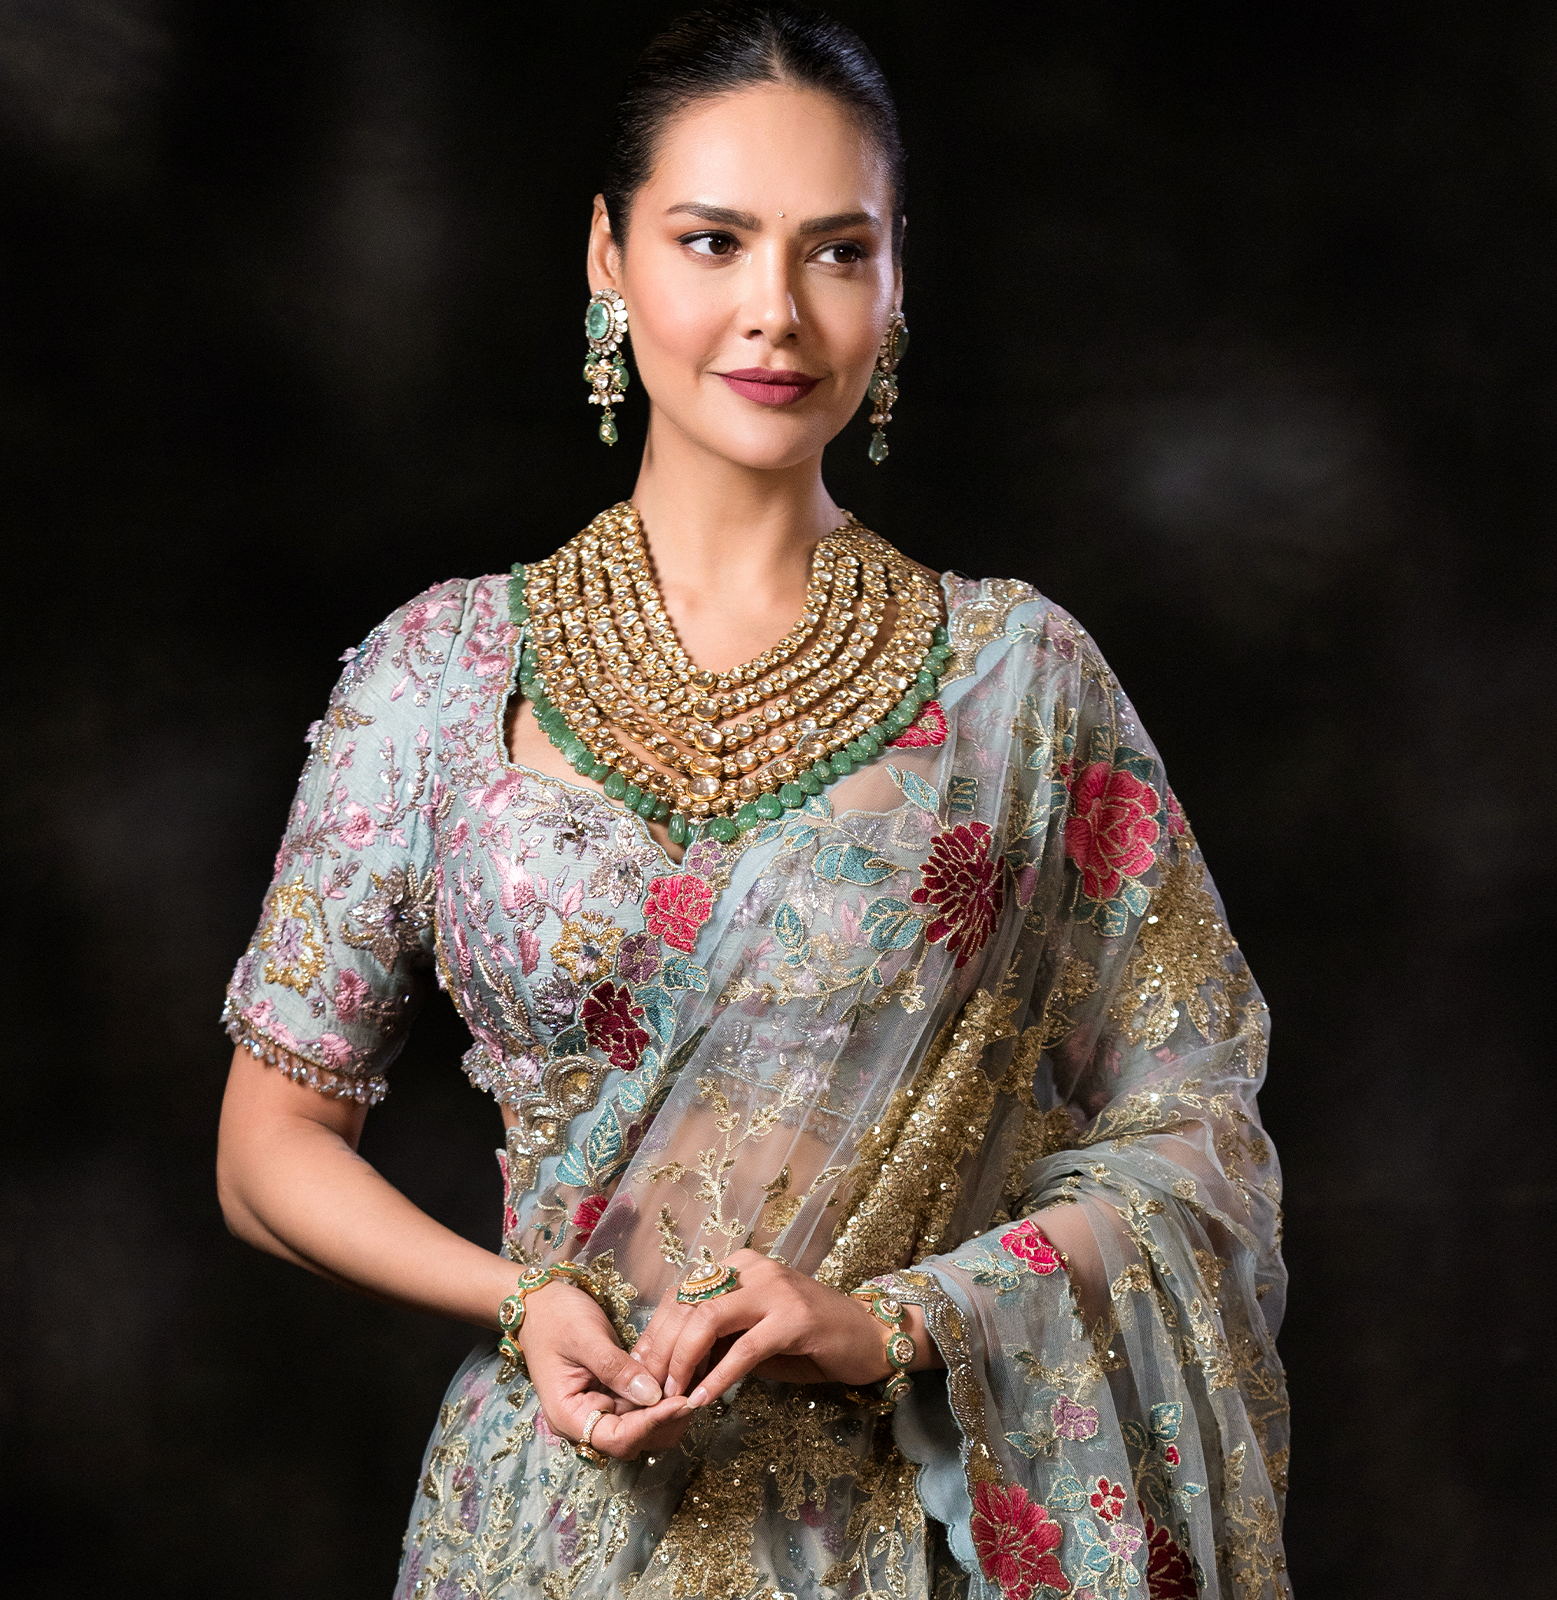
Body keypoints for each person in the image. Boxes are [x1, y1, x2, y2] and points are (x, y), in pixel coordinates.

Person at [215, 6, 1291, 1598]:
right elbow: (267, 1148)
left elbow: (1194, 1140)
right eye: (712, 241)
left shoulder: (1020, 686)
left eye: (837, 252)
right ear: (610, 256)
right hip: (548, 1529)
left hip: (896, 1538)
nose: (775, 312)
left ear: (898, 282)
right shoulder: (440, 673)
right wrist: (521, 1301)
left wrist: (893, 1321)